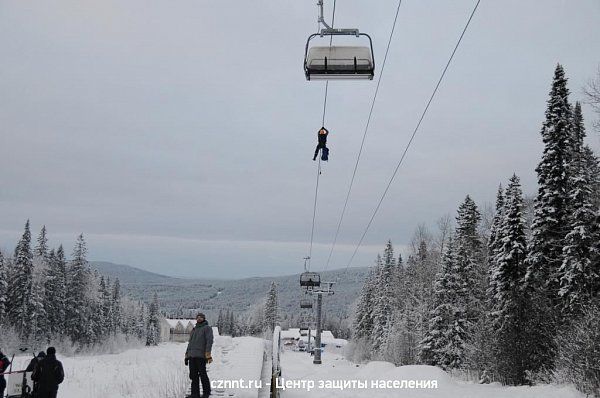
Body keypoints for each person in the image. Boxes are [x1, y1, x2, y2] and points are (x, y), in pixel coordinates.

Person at [185, 313, 214, 398]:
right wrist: (186, 356)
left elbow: (209, 341)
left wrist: (208, 354)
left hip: (201, 356)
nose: (199, 319)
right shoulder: (194, 329)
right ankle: (195, 394)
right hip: (192, 356)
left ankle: (206, 393)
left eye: (201, 317)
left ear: (204, 319)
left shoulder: (207, 328)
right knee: (193, 375)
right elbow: (190, 343)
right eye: (198, 317)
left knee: (202, 374)